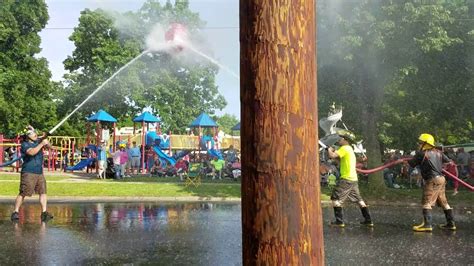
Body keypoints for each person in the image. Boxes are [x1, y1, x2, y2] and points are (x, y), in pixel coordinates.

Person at [408, 133, 456, 232]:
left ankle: (427, 225)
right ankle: (451, 224)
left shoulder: (421, 154)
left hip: (432, 180)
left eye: (420, 142)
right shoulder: (439, 152)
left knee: (427, 202)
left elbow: (412, 164)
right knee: (443, 202)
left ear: (426, 143)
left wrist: (406, 160)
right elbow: (449, 162)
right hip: (441, 179)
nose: (419, 144)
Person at [327, 130, 373, 227]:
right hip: (353, 179)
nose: (339, 140)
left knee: (335, 198)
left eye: (340, 138)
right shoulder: (350, 149)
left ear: (345, 140)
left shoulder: (345, 148)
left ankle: (339, 222)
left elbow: (332, 155)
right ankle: (368, 220)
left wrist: (328, 148)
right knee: (359, 199)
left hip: (346, 179)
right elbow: (338, 160)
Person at [11, 127, 53, 222]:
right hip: (28, 172)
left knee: (43, 192)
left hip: (39, 172)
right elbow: (31, 152)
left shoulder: (38, 142)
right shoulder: (25, 144)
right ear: (28, 137)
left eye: (35, 133)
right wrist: (41, 143)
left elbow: (50, 147)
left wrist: (45, 141)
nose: (35, 135)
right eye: (33, 134)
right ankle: (15, 212)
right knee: (23, 193)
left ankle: (44, 212)